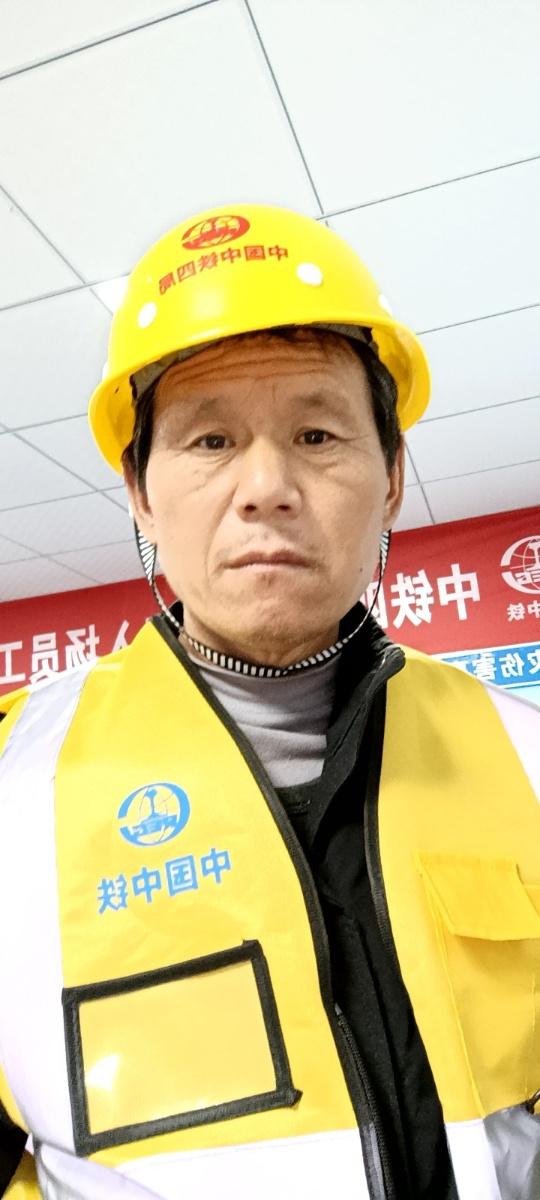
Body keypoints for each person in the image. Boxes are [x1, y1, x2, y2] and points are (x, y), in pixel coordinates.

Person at [0, 204, 538, 1200]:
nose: (266, 487)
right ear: (140, 494)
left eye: (317, 433)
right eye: (209, 440)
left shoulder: (525, 756)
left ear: (391, 478)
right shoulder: (14, 779)